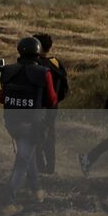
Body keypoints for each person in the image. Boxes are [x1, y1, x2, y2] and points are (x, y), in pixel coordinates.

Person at [0, 37, 57, 214]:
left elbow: (1, 98)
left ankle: (37, 191)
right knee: (22, 163)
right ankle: (7, 202)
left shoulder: (7, 71)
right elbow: (52, 99)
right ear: (38, 52)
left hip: (11, 123)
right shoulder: (44, 73)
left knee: (27, 156)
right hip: (32, 125)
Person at [34, 32, 68, 174]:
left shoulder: (36, 64)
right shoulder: (56, 63)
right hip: (52, 107)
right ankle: (50, 168)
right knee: (50, 136)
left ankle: (40, 167)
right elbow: (65, 89)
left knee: (35, 137)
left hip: (37, 107)